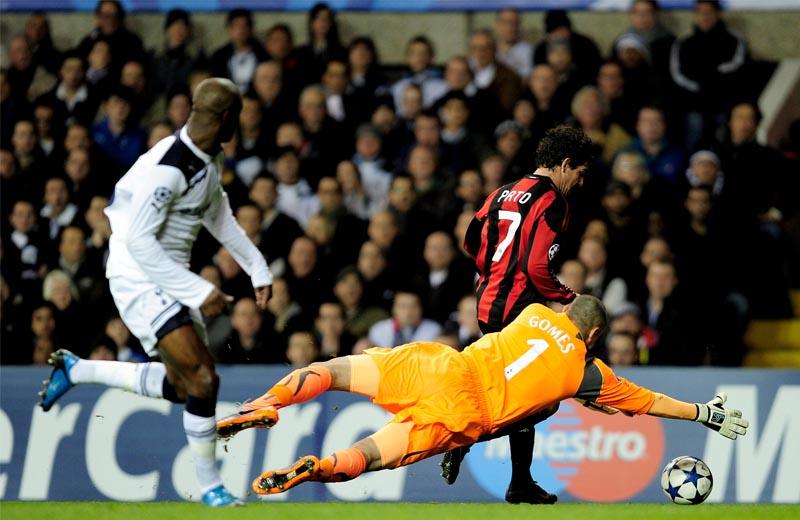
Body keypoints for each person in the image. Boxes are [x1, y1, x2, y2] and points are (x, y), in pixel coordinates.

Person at [216, 295, 748, 497]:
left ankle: (263, 404)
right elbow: (651, 401)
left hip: (441, 361)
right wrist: (704, 412)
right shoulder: (587, 371)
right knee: (373, 455)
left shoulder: (536, 312)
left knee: (331, 371)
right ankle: (318, 466)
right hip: (464, 412)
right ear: (592, 337)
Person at [38, 78, 272, 507]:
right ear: (225, 119)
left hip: (168, 275)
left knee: (187, 388)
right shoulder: (168, 168)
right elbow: (141, 243)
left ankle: (76, 371)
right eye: (237, 116)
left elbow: (218, 217)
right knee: (203, 376)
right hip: (138, 275)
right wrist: (200, 290)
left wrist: (257, 267)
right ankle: (210, 488)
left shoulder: (207, 158)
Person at [441, 126, 594, 504]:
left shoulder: (502, 192)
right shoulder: (553, 202)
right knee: (539, 401)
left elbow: (471, 240)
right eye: (579, 172)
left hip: (488, 303)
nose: (580, 181)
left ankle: (519, 480)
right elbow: (537, 265)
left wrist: (491, 273)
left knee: (524, 395)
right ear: (563, 165)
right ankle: (465, 439)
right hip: (519, 310)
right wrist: (567, 296)